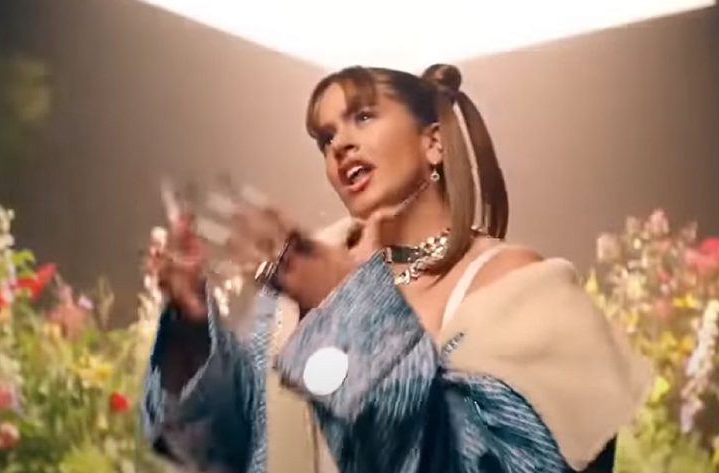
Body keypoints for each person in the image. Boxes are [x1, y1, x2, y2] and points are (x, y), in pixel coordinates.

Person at [141, 63, 652, 473]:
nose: (339, 145)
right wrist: (191, 333)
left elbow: (500, 462)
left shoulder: (519, 288)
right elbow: (233, 449)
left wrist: (346, 312)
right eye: (325, 138)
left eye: (363, 117)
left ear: (434, 143)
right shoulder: (296, 293)